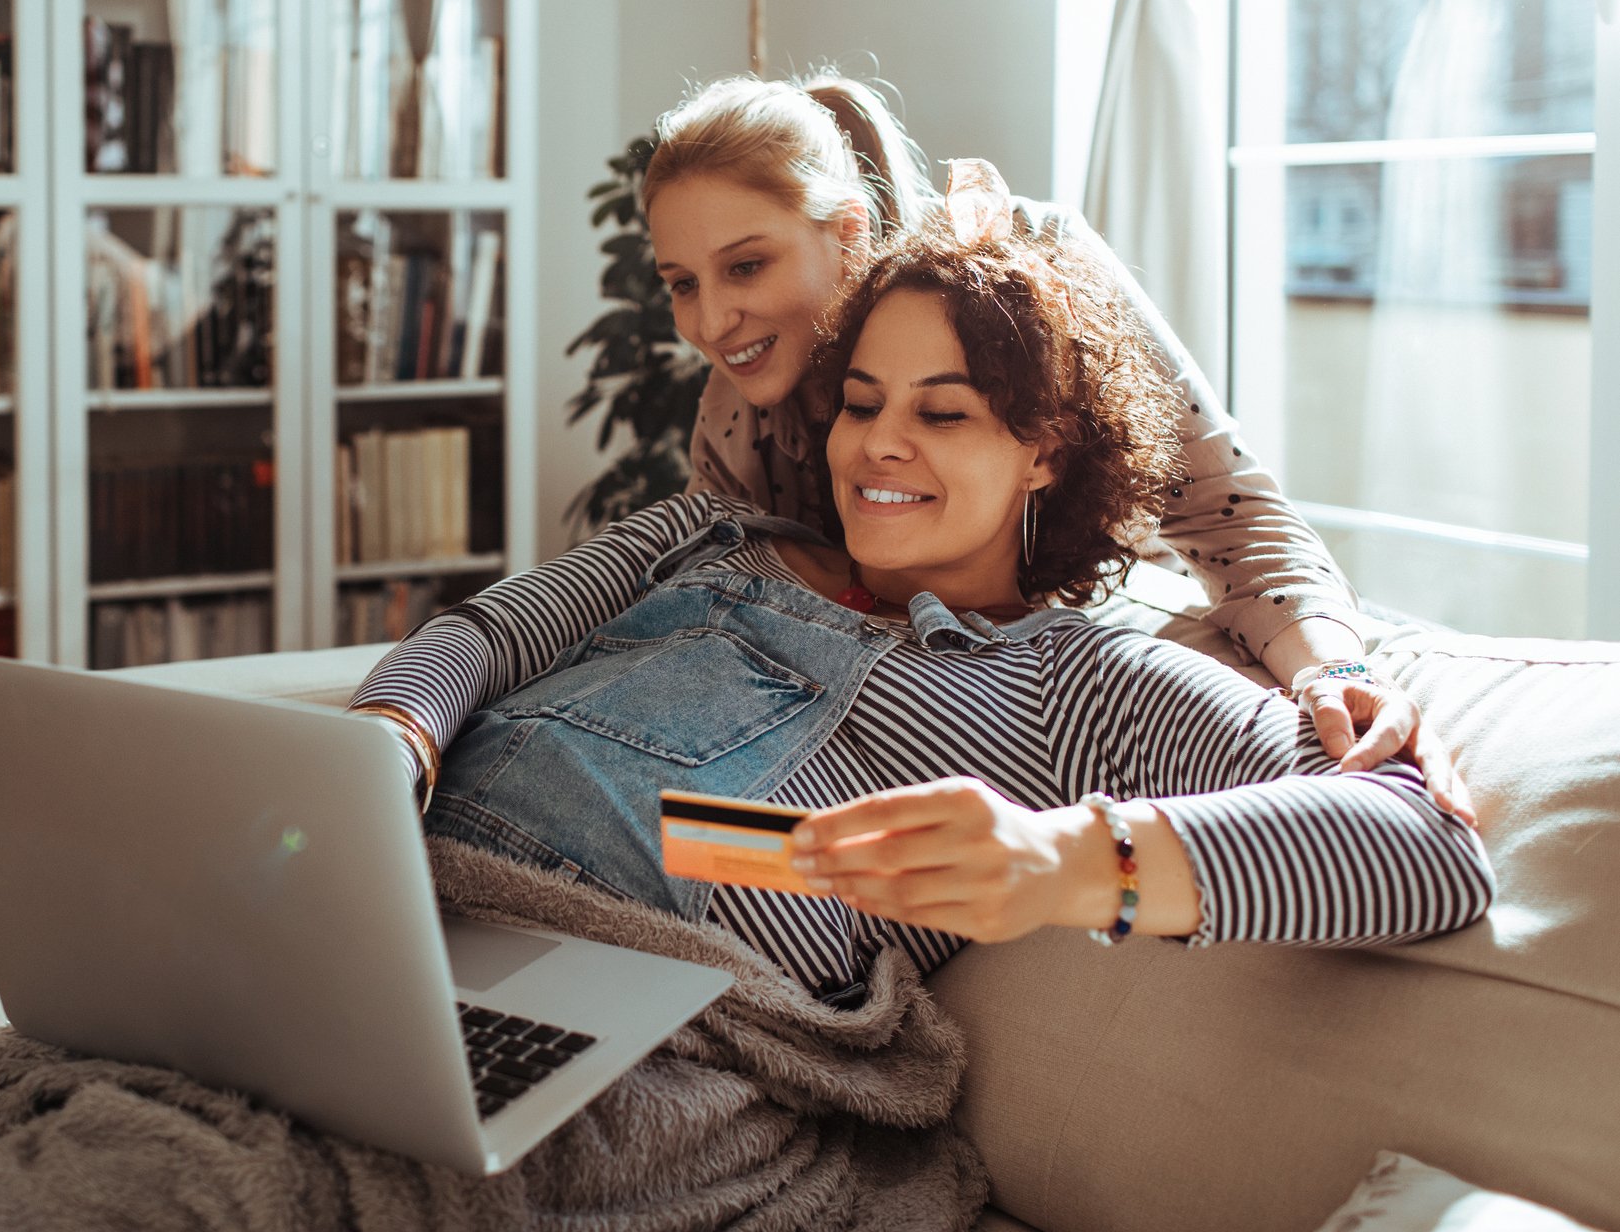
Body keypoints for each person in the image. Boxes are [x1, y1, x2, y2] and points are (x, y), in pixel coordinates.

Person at [346, 217, 1493, 993]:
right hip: (380, 923)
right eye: (860, 402)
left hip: (621, 1031)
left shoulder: (1076, 679)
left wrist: (1064, 862)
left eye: (942, 414)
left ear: (1044, 451)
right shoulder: (705, 533)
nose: (879, 444)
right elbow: (482, 636)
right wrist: (384, 746)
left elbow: (1428, 846)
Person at [641, 73, 1472, 819]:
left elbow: (1229, 516)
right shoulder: (738, 410)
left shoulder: (1030, 278)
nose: (709, 322)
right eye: (681, 284)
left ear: (848, 232)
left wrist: (1336, 672)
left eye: (745, 267)